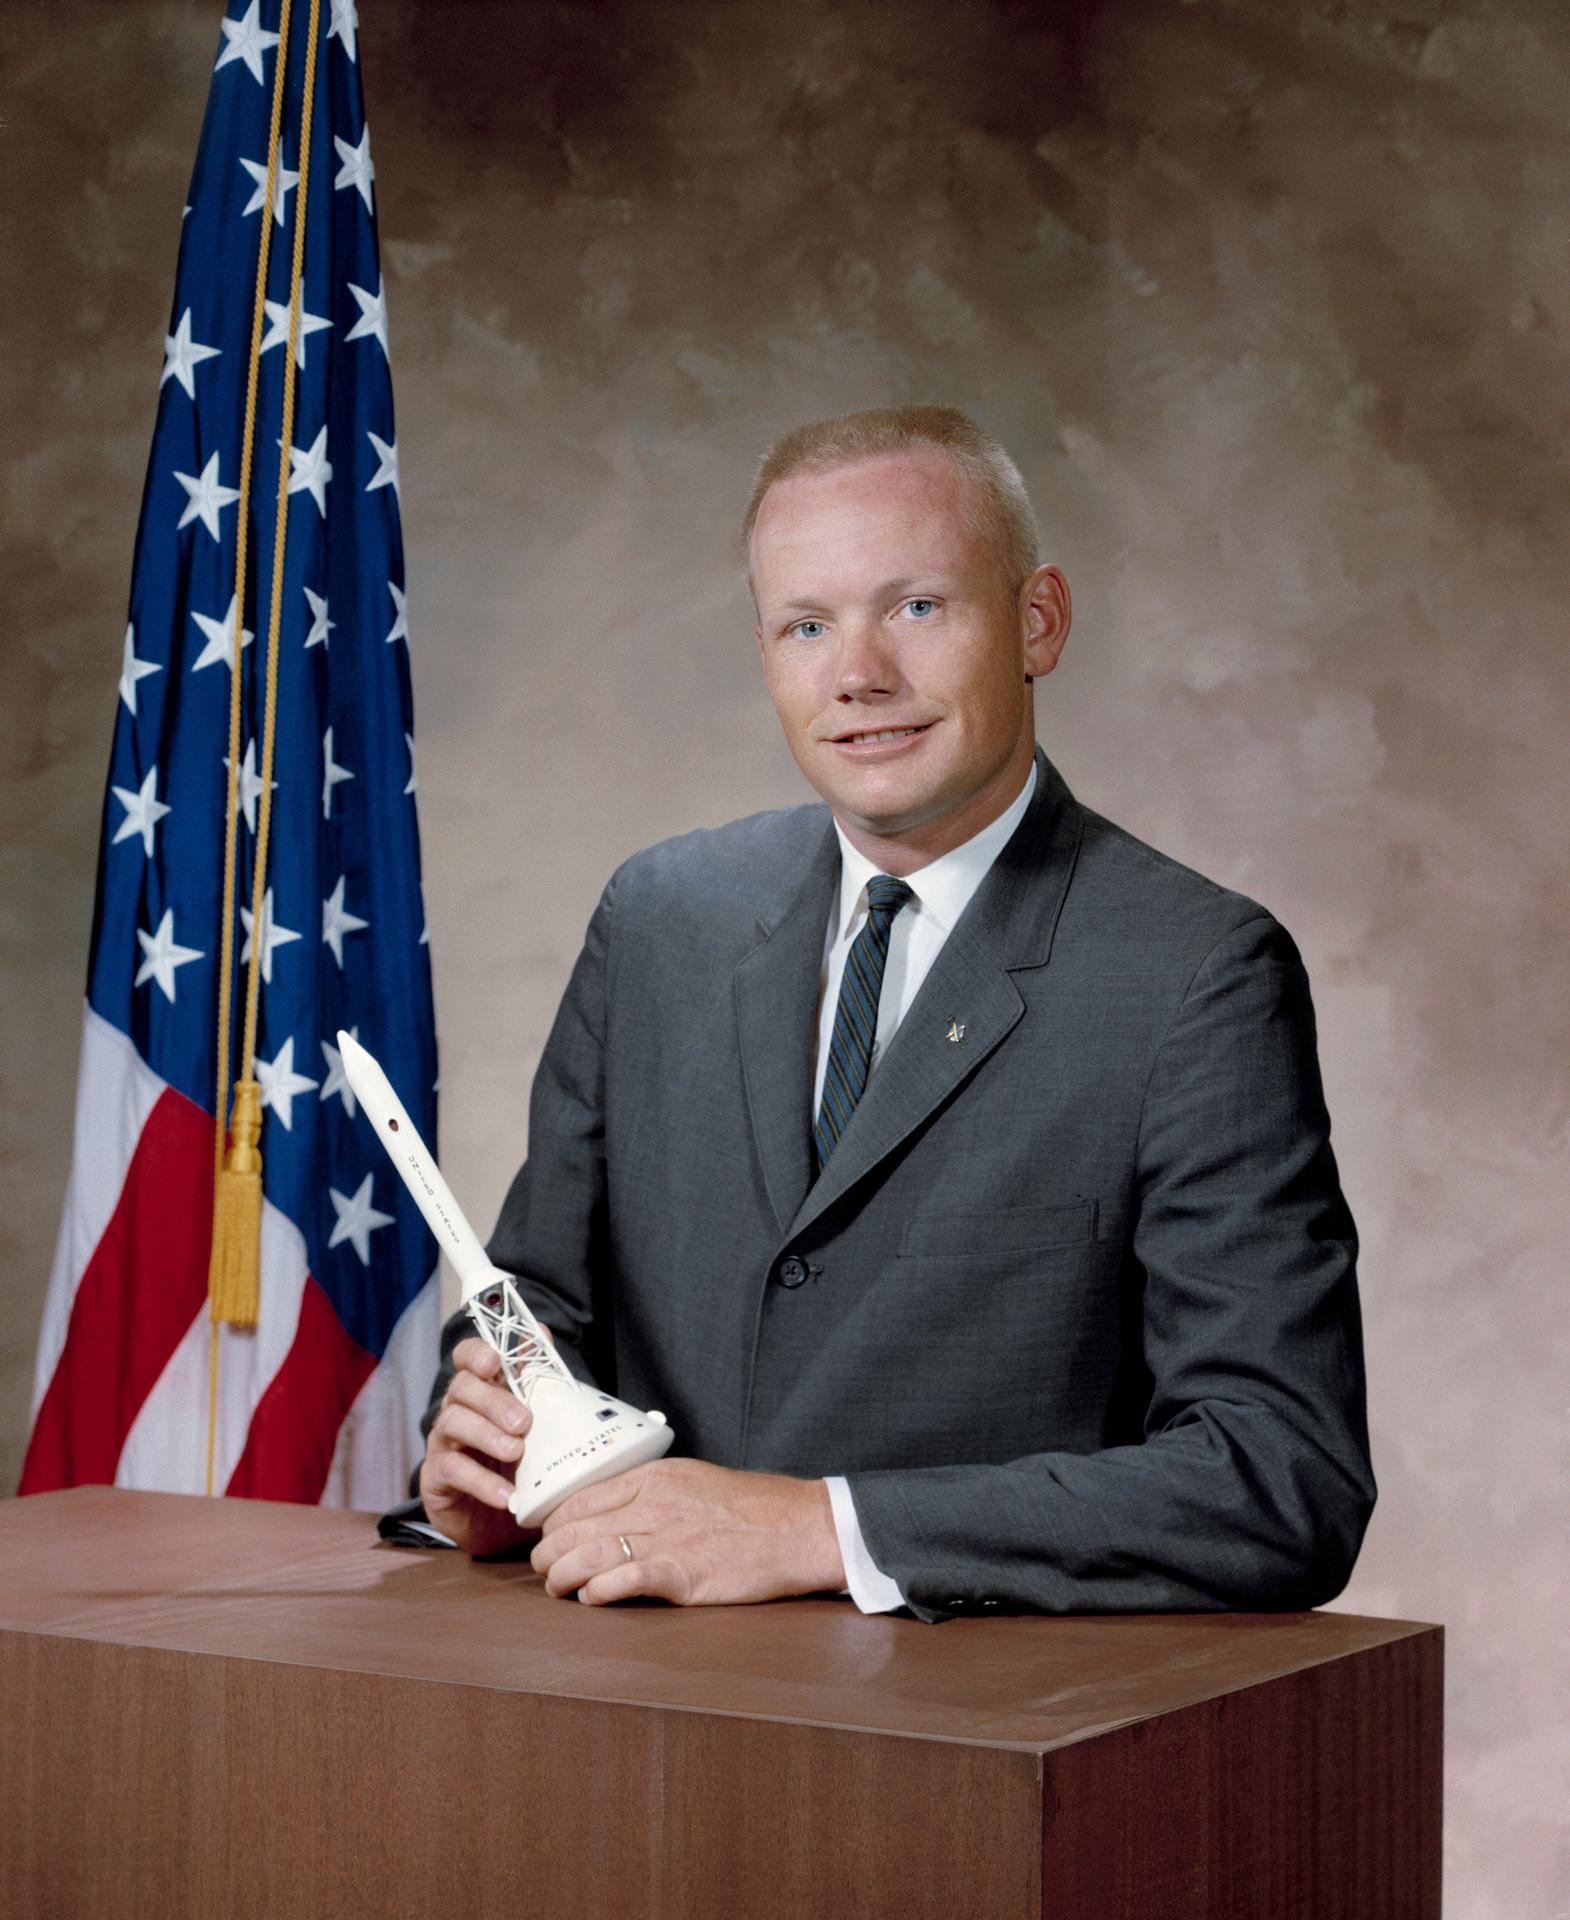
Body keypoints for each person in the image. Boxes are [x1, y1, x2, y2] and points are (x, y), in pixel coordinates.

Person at [397, 405, 1376, 1623]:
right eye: (806, 625)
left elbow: (1278, 1477)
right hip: (626, 1715)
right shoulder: (658, 921)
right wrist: (500, 1451)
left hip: (973, 1752)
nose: (857, 676)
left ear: (1037, 623)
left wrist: (821, 1526)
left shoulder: (1193, 974)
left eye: (914, 607)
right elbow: (541, 1310)